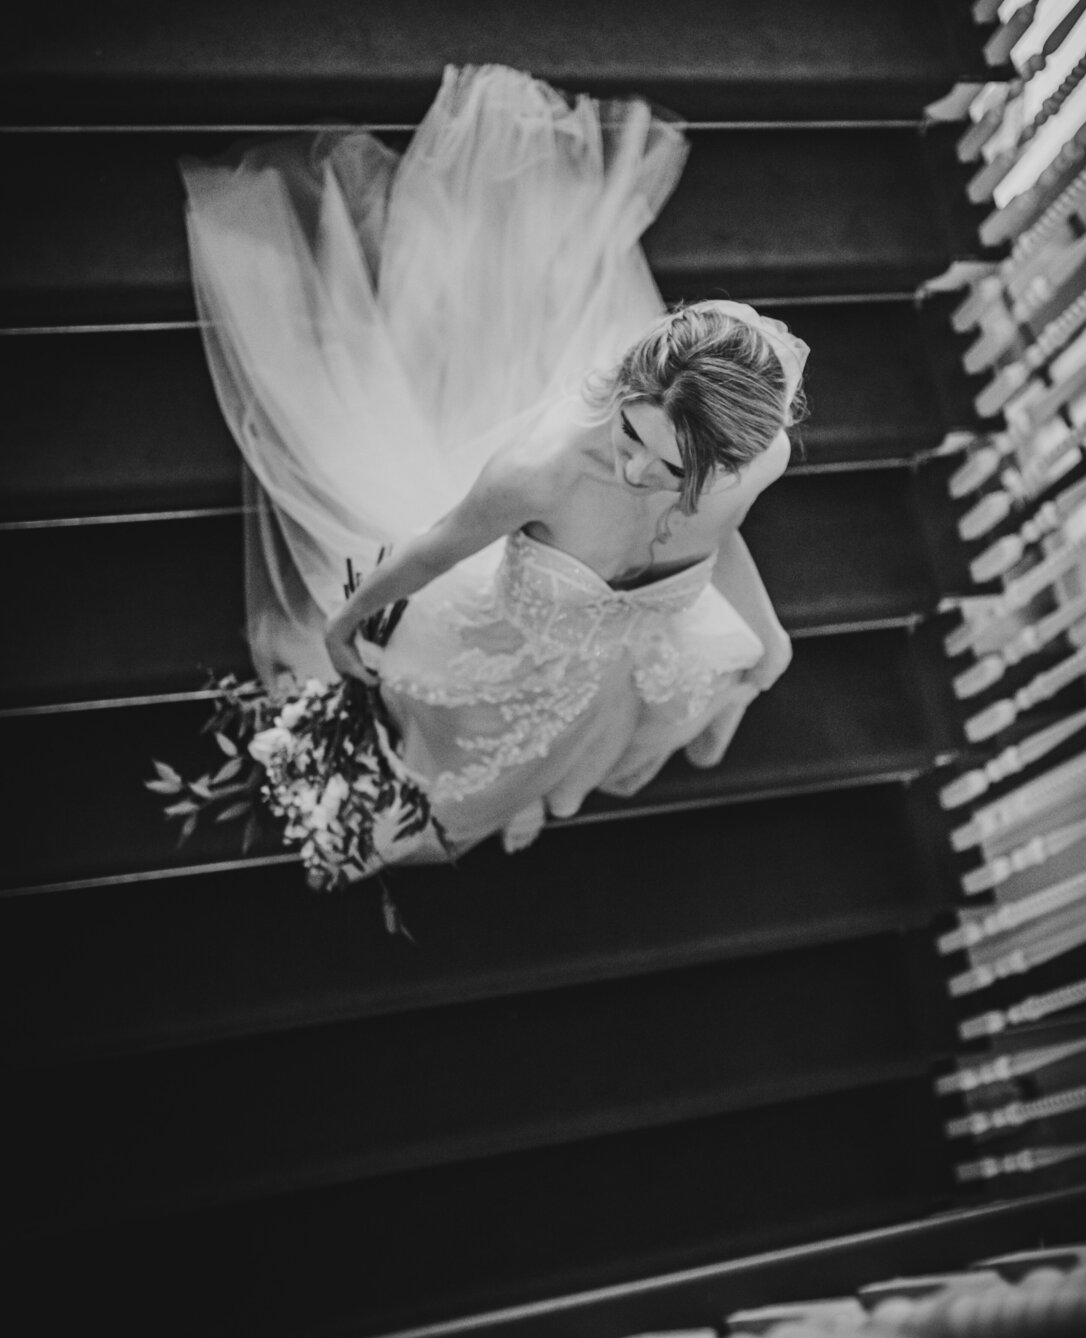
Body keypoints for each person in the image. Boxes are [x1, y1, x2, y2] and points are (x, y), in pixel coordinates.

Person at [180, 65, 808, 865]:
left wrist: (768, 637)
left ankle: (562, 776)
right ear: (620, 389)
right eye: (631, 434)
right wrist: (344, 630)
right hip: (511, 641)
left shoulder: (759, 460)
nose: (636, 472)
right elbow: (434, 545)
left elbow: (725, 538)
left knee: (627, 702)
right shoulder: (540, 470)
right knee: (480, 733)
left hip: (619, 646)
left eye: (671, 465)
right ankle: (517, 788)